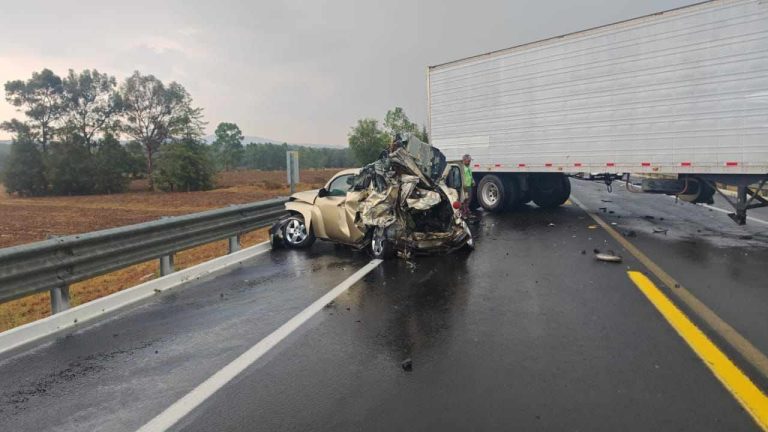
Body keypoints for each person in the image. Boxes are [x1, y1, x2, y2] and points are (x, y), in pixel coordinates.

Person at [461, 154, 476, 219]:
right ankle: (464, 214)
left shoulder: (469, 168)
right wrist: (463, 186)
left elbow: (470, 176)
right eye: (468, 161)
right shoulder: (463, 168)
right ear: (464, 161)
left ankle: (467, 213)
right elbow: (462, 177)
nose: (469, 162)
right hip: (465, 187)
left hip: (469, 186)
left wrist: (473, 181)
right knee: (465, 201)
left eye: (470, 161)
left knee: (468, 200)